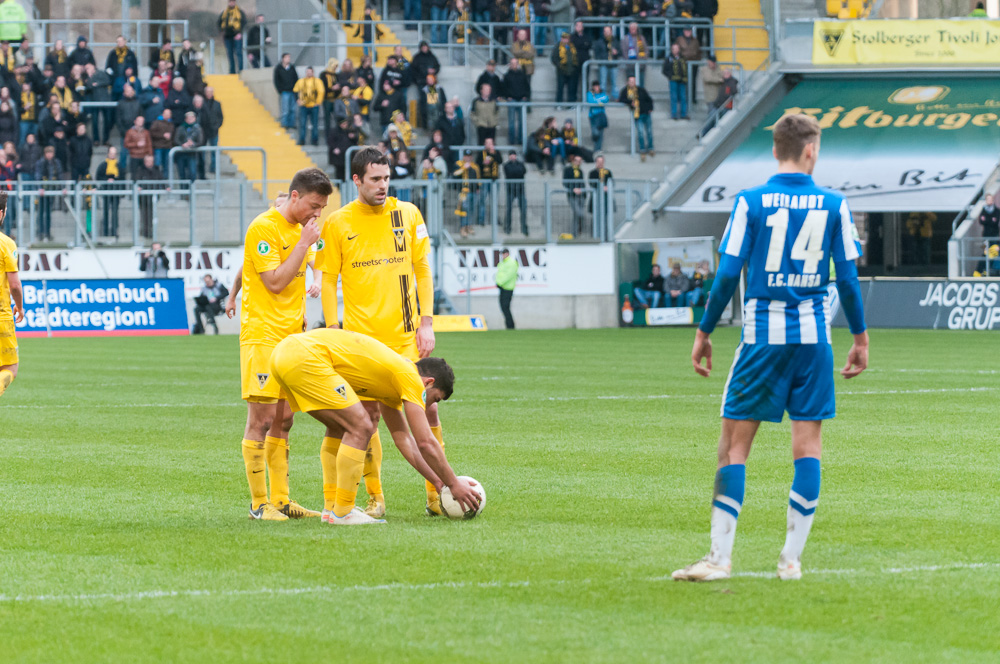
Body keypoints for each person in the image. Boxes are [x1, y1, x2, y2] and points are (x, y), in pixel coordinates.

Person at [672, 113, 869, 582]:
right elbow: (847, 280)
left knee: (733, 449)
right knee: (808, 447)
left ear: (775, 149)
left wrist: (704, 331)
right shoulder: (834, 205)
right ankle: (791, 561)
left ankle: (719, 559)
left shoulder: (751, 202)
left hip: (762, 339)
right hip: (814, 341)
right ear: (810, 150)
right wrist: (860, 338)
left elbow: (727, 273)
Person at [316, 147, 443, 518]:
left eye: (386, 178)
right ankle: (375, 498)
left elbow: (423, 270)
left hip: (405, 338)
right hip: (362, 343)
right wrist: (333, 328)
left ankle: (437, 496)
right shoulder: (338, 222)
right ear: (357, 180)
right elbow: (328, 279)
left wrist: (426, 321)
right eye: (375, 179)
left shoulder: (408, 214)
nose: (383, 185)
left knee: (428, 412)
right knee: (367, 418)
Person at [269, 328, 480, 524]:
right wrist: (453, 483)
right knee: (362, 426)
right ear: (428, 382)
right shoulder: (411, 378)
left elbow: (404, 440)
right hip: (304, 356)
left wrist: (439, 482)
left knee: (339, 427)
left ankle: (332, 508)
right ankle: (343, 511)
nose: (429, 405)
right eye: (435, 399)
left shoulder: (394, 381)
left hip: (283, 353)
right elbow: (424, 442)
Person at [238, 167, 332, 521]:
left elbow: (314, 267)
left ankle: (281, 500)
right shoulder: (263, 228)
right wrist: (304, 243)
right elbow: (275, 282)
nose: (316, 214)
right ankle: (258, 504)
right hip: (263, 336)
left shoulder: (302, 231)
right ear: (295, 196)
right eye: (313, 205)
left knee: (285, 419)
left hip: (291, 339)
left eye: (321, 208)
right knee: (261, 420)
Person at [0, 192, 21, 399]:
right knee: (10, 368)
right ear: (1, 214)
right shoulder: (6, 243)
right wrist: (20, 307)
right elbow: (14, 285)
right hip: (2, 317)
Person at [619, 75, 654, 161]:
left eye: (633, 81)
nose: (632, 83)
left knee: (649, 132)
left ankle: (651, 148)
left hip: (646, 113)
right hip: (637, 115)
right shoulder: (625, 91)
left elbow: (649, 99)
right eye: (630, 81)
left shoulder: (641, 90)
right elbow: (621, 99)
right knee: (640, 133)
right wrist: (630, 102)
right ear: (628, 82)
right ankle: (642, 150)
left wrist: (650, 108)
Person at [34, 145, 63, 241]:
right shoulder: (40, 162)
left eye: (51, 153)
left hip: (51, 190)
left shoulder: (56, 163)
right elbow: (38, 175)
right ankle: (40, 232)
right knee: (41, 212)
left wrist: (62, 187)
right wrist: (39, 188)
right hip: (42, 191)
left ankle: (47, 233)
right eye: (48, 153)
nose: (49, 155)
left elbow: (59, 176)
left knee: (48, 213)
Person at [134, 153, 165, 238]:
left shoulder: (156, 170)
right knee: (144, 214)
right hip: (143, 197)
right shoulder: (140, 170)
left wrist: (166, 187)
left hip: (152, 196)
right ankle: (145, 230)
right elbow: (136, 180)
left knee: (151, 214)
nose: (149, 163)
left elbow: (161, 180)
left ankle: (150, 231)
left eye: (151, 161)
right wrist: (138, 187)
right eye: (147, 161)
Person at [95, 146, 122, 239]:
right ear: (108, 154)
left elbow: (122, 178)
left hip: (116, 192)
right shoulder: (103, 165)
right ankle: (105, 231)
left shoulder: (119, 166)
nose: (112, 155)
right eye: (111, 153)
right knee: (106, 212)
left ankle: (114, 231)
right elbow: (98, 177)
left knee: (115, 212)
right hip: (106, 192)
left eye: (114, 153)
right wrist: (106, 180)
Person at [501, 58, 529, 145]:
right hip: (512, 100)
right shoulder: (506, 76)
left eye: (515, 63)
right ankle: (512, 141)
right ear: (510, 65)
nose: (514, 65)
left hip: (521, 100)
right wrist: (507, 97)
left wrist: (525, 96)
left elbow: (527, 86)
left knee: (521, 122)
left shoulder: (522, 75)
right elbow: (503, 88)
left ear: (518, 64)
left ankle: (521, 140)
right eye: (512, 63)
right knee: (511, 122)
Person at [294, 66, 323, 146]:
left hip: (314, 105)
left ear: (313, 72)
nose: (309, 73)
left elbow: (321, 92)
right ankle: (302, 139)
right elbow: (295, 90)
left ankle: (314, 140)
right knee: (302, 124)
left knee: (315, 124)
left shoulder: (317, 81)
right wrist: (298, 100)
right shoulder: (301, 81)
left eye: (310, 72)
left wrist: (318, 102)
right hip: (304, 105)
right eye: (307, 72)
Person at [174, 110, 204, 183]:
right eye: (188, 118)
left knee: (192, 173)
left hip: (192, 154)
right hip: (181, 154)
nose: (190, 119)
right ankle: (183, 189)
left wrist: (193, 144)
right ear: (185, 119)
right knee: (182, 174)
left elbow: (200, 141)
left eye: (192, 118)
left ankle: (191, 188)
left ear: (195, 119)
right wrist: (182, 144)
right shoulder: (181, 128)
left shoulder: (198, 128)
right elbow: (176, 139)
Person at [503, 150, 528, 235]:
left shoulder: (520, 164)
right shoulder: (506, 165)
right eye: (511, 155)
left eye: (514, 155)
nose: (512, 156)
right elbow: (510, 173)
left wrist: (516, 171)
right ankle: (507, 228)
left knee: (523, 209)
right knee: (509, 209)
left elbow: (522, 172)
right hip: (510, 190)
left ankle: (524, 228)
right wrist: (517, 171)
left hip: (520, 190)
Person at [219, 0, 247, 74]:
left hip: (237, 36)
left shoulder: (240, 12)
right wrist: (222, 32)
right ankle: (232, 72)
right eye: (230, 2)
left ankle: (241, 71)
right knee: (230, 54)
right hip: (227, 37)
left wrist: (240, 33)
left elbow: (244, 23)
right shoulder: (224, 13)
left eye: (233, 2)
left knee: (238, 53)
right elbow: (219, 23)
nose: (232, 3)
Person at [675, 27, 701, 104]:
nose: (688, 32)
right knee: (682, 81)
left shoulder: (695, 40)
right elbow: (676, 51)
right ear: (683, 31)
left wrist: (696, 60)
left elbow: (698, 52)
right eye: (686, 31)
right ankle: (682, 98)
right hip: (683, 63)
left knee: (693, 81)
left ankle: (692, 98)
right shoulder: (679, 39)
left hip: (693, 63)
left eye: (689, 31)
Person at [551, 32, 579, 105]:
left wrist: (575, 66)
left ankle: (571, 104)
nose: (565, 40)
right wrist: (560, 66)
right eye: (564, 38)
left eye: (567, 38)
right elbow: (554, 58)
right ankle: (559, 104)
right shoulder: (557, 47)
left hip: (572, 71)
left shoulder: (572, 46)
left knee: (571, 88)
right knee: (560, 88)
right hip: (561, 71)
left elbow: (576, 57)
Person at [563, 153, 587, 236]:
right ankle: (576, 230)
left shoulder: (580, 171)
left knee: (576, 215)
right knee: (579, 213)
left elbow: (582, 183)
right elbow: (565, 182)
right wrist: (573, 189)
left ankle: (575, 232)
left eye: (580, 161)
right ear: (573, 161)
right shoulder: (568, 170)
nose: (578, 162)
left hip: (581, 195)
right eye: (577, 160)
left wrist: (581, 190)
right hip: (572, 195)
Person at [593, 25, 619, 99]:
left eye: (608, 31)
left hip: (613, 65)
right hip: (603, 65)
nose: (607, 33)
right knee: (603, 83)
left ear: (611, 32)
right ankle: (602, 98)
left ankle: (615, 99)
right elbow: (596, 54)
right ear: (603, 32)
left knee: (614, 83)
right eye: (605, 31)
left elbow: (620, 52)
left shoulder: (615, 41)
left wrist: (616, 52)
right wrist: (602, 59)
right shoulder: (599, 42)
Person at [273, 53, 298, 130]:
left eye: (289, 57)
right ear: (283, 59)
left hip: (292, 91)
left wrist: (296, 89)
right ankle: (284, 124)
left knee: (292, 109)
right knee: (285, 109)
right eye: (287, 57)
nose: (288, 59)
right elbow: (276, 80)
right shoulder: (278, 68)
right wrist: (280, 90)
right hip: (284, 92)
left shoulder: (292, 67)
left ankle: (291, 124)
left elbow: (296, 78)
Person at [663, 43, 688, 120]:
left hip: (682, 81)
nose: (676, 50)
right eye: (674, 49)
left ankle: (683, 114)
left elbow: (685, 68)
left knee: (683, 97)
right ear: (672, 50)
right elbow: (664, 70)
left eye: (677, 48)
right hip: (673, 81)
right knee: (674, 97)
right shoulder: (669, 58)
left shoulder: (682, 58)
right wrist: (670, 76)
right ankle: (674, 114)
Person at [495, 248, 517, 329]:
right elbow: (499, 274)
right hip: (502, 288)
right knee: (503, 307)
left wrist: (500, 283)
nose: (503, 255)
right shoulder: (502, 263)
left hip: (508, 288)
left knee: (505, 307)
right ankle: (508, 325)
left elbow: (509, 275)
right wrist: (498, 283)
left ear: (507, 254)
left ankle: (510, 326)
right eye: (502, 254)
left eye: (504, 253)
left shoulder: (512, 263)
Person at [586, 81, 609, 151]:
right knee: (595, 133)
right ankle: (596, 147)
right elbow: (591, 101)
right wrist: (600, 101)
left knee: (601, 133)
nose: (596, 88)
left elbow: (606, 99)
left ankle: (597, 149)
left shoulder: (602, 93)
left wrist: (596, 101)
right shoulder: (590, 93)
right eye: (595, 86)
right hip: (593, 116)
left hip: (601, 116)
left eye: (597, 86)